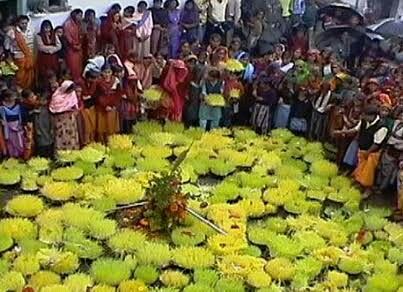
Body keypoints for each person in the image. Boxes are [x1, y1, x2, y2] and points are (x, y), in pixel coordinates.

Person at [49, 80, 80, 151]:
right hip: (60, 120)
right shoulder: (56, 96)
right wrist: (64, 110)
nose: (70, 92)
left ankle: (72, 153)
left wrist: (74, 110)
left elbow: (75, 104)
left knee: (71, 137)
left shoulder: (72, 93)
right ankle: (62, 155)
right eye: (69, 90)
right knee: (62, 137)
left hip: (70, 120)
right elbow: (54, 109)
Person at [94, 64, 121, 143]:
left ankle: (111, 143)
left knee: (111, 126)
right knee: (102, 127)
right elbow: (97, 95)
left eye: (109, 72)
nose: (107, 74)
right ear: (102, 73)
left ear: (112, 72)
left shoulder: (116, 80)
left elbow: (118, 94)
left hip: (112, 107)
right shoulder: (98, 82)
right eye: (105, 72)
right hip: (102, 108)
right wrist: (105, 106)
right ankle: (102, 143)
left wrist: (114, 105)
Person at [6, 15, 34, 89]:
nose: (24, 25)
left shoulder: (30, 30)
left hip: (29, 57)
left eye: (26, 23)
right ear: (18, 23)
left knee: (29, 75)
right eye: (22, 23)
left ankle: (27, 90)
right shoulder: (12, 33)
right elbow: (7, 46)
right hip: (19, 58)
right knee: (20, 77)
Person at [0, 89, 27, 158]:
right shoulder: (2, 108)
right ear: (6, 98)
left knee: (20, 143)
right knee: (11, 144)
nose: (14, 98)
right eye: (12, 96)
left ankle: (21, 156)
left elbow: (24, 116)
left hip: (18, 127)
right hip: (8, 129)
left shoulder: (19, 105)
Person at [64, 9, 84, 83]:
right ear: (74, 15)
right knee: (72, 66)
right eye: (79, 15)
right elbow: (67, 37)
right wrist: (74, 45)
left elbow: (82, 35)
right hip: (71, 49)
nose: (81, 17)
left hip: (79, 48)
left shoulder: (80, 24)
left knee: (79, 66)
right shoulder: (67, 24)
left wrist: (80, 44)